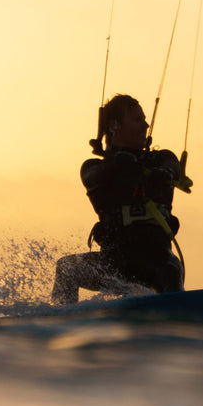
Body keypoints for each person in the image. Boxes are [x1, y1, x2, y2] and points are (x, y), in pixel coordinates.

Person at [51, 93, 187, 305]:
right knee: (67, 268)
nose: (146, 125)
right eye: (137, 120)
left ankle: (181, 315)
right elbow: (94, 178)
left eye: (144, 119)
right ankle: (60, 320)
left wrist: (163, 173)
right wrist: (118, 160)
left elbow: (172, 165)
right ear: (115, 126)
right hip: (115, 264)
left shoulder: (161, 159)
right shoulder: (93, 168)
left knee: (171, 271)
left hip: (157, 261)